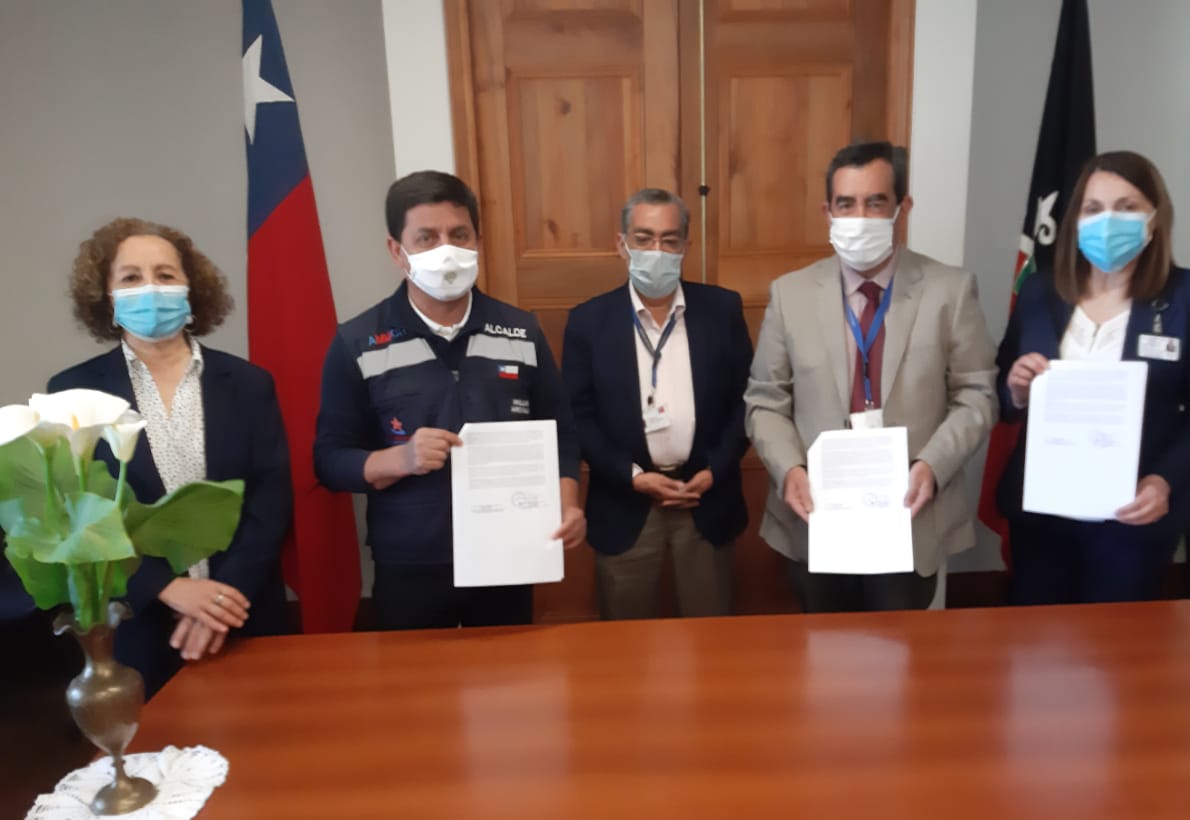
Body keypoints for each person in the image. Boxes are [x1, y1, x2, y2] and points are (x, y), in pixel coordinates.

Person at [314, 170, 584, 630]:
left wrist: (568, 502)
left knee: (511, 671)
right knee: (414, 677)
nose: (447, 249)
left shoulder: (522, 330)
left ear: (477, 240)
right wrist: (400, 459)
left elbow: (561, 433)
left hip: (509, 552)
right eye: (426, 238)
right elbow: (329, 460)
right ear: (396, 250)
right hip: (411, 559)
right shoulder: (357, 341)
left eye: (459, 235)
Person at [745, 141, 997, 612]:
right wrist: (789, 469)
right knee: (820, 651)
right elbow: (765, 400)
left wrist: (933, 465)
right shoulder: (789, 294)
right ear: (827, 212)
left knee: (899, 653)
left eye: (875, 202)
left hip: (908, 516)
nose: (859, 217)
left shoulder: (950, 290)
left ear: (902, 208)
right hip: (817, 517)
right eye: (846, 204)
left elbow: (978, 395)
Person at [50, 218, 292, 696]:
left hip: (243, 611)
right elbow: (77, 514)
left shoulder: (249, 383)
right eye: (131, 277)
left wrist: (221, 601)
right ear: (106, 297)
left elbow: (271, 499)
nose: (151, 289)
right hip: (137, 621)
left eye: (165, 275)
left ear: (191, 289)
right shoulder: (71, 392)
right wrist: (165, 588)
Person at [996, 151, 1190, 604]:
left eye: (1126, 207)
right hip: (1044, 510)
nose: (1108, 221)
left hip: (1133, 514)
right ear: (1076, 221)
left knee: (1116, 640)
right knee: (1035, 633)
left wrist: (1164, 480)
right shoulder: (1040, 291)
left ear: (1155, 218)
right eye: (1093, 208)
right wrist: (1017, 390)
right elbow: (1004, 392)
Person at [561, 189, 752, 619]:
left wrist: (714, 469)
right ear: (622, 244)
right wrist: (632, 477)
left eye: (669, 240)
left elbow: (747, 400)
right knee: (624, 640)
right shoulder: (589, 321)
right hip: (624, 503)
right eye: (644, 239)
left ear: (686, 245)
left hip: (705, 498)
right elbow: (578, 416)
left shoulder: (722, 309)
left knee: (712, 634)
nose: (657, 251)